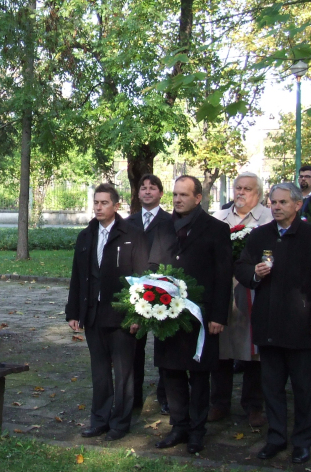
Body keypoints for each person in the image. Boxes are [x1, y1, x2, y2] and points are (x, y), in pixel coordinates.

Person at [235, 183, 311, 465]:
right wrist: (253, 273)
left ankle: (303, 440)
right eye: (273, 202)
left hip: (301, 326)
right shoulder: (260, 235)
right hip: (268, 324)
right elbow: (242, 268)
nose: (277, 207)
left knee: (303, 388)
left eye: (282, 202)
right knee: (272, 387)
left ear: (297, 204)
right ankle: (276, 438)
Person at [148, 175, 232, 454]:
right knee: (171, 372)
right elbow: (153, 268)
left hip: (201, 316)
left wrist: (219, 315)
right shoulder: (163, 227)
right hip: (167, 314)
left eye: (184, 195)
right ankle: (178, 426)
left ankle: (197, 431)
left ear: (198, 198)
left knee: (198, 375)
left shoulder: (216, 229)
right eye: (175, 195)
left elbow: (223, 276)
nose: (178, 200)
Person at [65, 183, 148, 442]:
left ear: (116, 205)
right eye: (96, 202)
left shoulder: (132, 235)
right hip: (93, 314)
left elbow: (143, 279)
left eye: (104, 203)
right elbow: (78, 277)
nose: (98, 207)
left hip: (122, 316)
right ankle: (99, 420)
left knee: (124, 373)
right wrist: (73, 311)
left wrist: (137, 317)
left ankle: (120, 423)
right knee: (100, 372)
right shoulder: (86, 236)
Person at [209, 172, 272, 428]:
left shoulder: (268, 219)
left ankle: (253, 405)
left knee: (253, 351)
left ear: (258, 193)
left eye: (247, 188)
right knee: (222, 347)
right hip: (224, 291)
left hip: (256, 291)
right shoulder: (219, 218)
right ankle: (219, 402)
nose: (241, 192)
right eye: (238, 188)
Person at [125, 174, 171, 413]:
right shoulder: (128, 222)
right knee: (134, 347)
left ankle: (165, 397)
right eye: (143, 188)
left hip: (163, 291)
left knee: (165, 347)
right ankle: (134, 397)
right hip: (136, 291)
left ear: (161, 193)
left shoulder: (170, 221)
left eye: (152, 188)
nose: (147, 192)